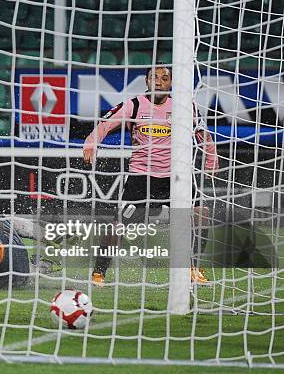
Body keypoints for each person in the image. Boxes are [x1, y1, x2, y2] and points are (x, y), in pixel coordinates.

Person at [83, 63, 219, 287]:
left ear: (171, 82)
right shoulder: (134, 105)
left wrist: (211, 157)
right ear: (146, 81)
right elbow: (105, 124)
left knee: (201, 214)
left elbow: (202, 133)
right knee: (118, 226)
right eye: (154, 77)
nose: (158, 81)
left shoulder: (185, 106)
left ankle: (193, 268)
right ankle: (99, 272)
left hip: (175, 176)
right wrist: (92, 142)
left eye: (164, 78)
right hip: (141, 177)